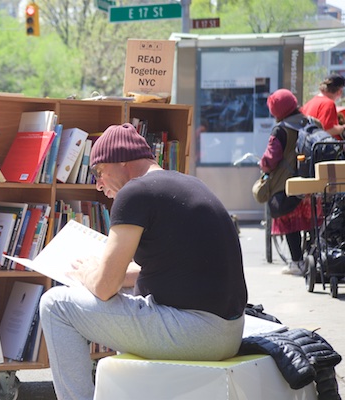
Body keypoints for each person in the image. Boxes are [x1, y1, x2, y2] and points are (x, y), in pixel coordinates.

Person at [39, 123, 248, 400]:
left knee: (56, 305)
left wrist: (90, 272)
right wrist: (110, 275)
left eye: (100, 172)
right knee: (122, 292)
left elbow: (103, 288)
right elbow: (170, 268)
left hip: (196, 334)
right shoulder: (188, 183)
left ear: (122, 160)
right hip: (229, 332)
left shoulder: (135, 193)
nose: (98, 184)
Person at [261, 89, 318, 276]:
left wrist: (263, 166)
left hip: (289, 186)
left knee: (289, 221)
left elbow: (270, 159)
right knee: (313, 223)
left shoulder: (281, 130)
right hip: (314, 183)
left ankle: (297, 262)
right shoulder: (312, 122)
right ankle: (315, 258)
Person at [301, 74, 345, 139]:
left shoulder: (309, 103)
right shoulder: (328, 104)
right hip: (323, 146)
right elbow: (327, 130)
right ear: (339, 92)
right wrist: (342, 128)